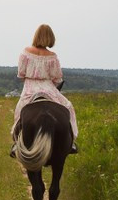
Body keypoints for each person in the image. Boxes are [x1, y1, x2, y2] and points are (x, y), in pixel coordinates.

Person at [11, 24, 78, 155]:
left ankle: (16, 143)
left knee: (20, 110)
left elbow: (21, 73)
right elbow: (57, 78)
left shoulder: (26, 52)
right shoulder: (53, 56)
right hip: (49, 87)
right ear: (50, 38)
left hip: (30, 87)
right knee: (68, 106)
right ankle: (71, 142)